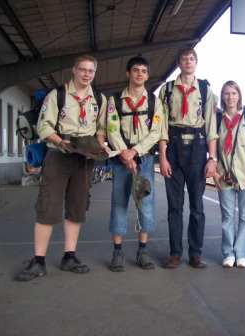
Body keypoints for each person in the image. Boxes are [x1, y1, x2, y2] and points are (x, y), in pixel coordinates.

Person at [15, 55, 108, 281]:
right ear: (74, 70)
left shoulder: (99, 98)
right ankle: (38, 261)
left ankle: (69, 257)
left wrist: (100, 144)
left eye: (91, 71)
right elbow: (43, 126)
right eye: (83, 70)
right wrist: (61, 142)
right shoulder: (57, 95)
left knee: (77, 208)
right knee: (48, 206)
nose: (87, 74)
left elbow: (101, 127)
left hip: (84, 158)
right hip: (59, 154)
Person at [158, 47, 218, 269]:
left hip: (197, 147)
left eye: (192, 59)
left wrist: (212, 159)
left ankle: (195, 252)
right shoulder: (167, 89)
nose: (188, 62)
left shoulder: (204, 89)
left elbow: (212, 126)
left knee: (197, 204)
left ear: (196, 62)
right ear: (179, 63)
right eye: (184, 59)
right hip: (173, 146)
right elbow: (161, 125)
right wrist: (162, 157)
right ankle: (175, 253)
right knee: (175, 205)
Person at [106, 56, 163, 271]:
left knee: (145, 204)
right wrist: (125, 153)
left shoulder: (154, 102)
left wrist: (135, 152)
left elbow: (155, 131)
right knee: (119, 203)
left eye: (144, 71)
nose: (140, 74)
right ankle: (118, 252)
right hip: (121, 161)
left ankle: (142, 251)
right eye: (136, 70)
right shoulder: (115, 100)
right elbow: (112, 128)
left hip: (145, 160)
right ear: (128, 73)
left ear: (147, 75)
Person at [212, 81, 245, 268]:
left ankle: (242, 252)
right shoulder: (217, 120)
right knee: (227, 217)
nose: (230, 97)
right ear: (222, 97)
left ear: (239, 96)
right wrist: (215, 171)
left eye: (233, 93)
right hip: (224, 175)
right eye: (226, 94)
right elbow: (213, 148)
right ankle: (228, 253)